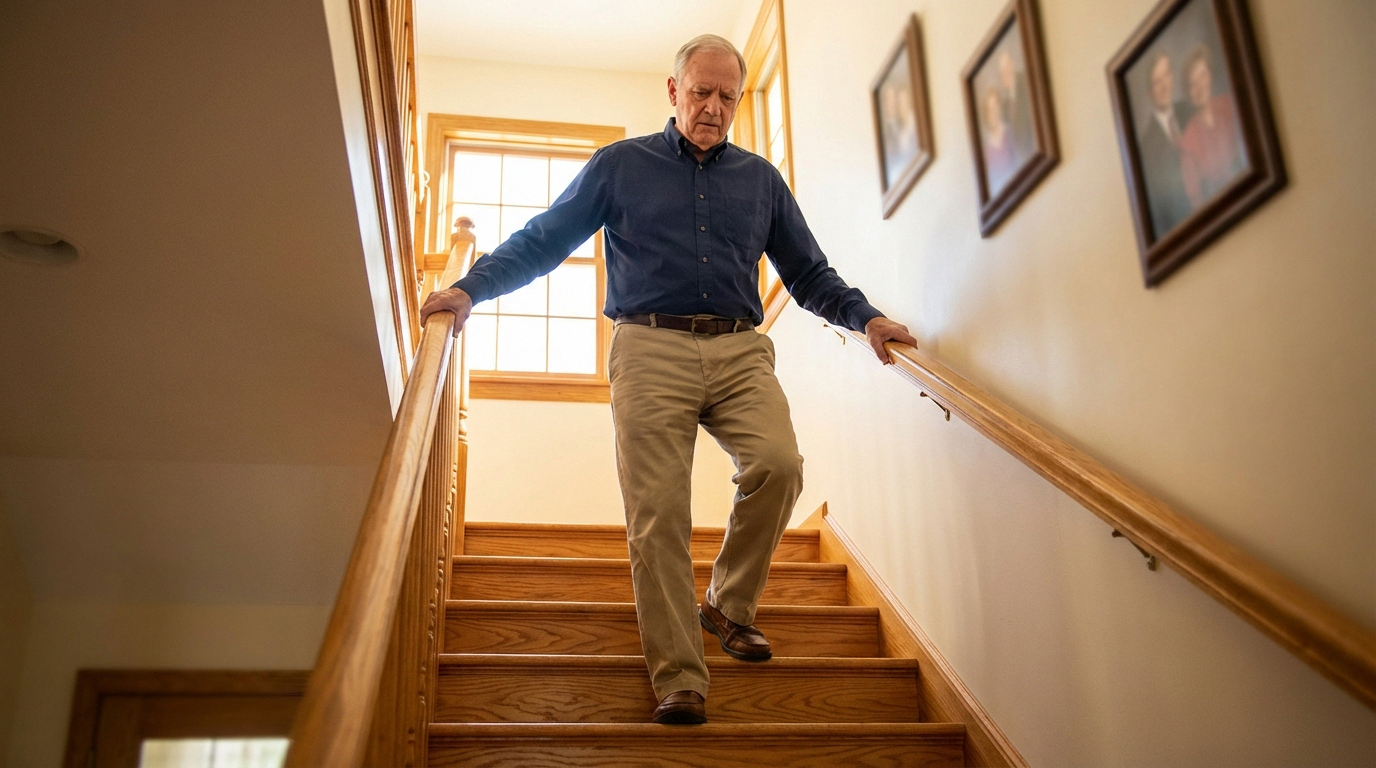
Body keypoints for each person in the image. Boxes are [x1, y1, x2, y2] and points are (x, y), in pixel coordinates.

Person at [419, 34, 916, 726]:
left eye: (727, 97)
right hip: (648, 345)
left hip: (741, 350)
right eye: (701, 92)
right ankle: (681, 674)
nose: (713, 108)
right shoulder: (620, 166)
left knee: (779, 466)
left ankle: (728, 606)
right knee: (660, 514)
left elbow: (808, 273)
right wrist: (471, 290)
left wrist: (867, 319)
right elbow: (545, 237)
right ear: (673, 91)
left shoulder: (762, 180)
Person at [1178, 45, 1245, 208]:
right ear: (1187, 92)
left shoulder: (1230, 104)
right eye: (1192, 84)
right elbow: (1195, 198)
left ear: (1210, 76)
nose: (1199, 87)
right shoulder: (1187, 140)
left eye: (1203, 76)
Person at [1136, 52, 1194, 238]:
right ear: (1149, 91)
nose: (1164, 86)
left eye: (1166, 75)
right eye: (1156, 81)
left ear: (1173, 76)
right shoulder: (1146, 148)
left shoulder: (1191, 110)